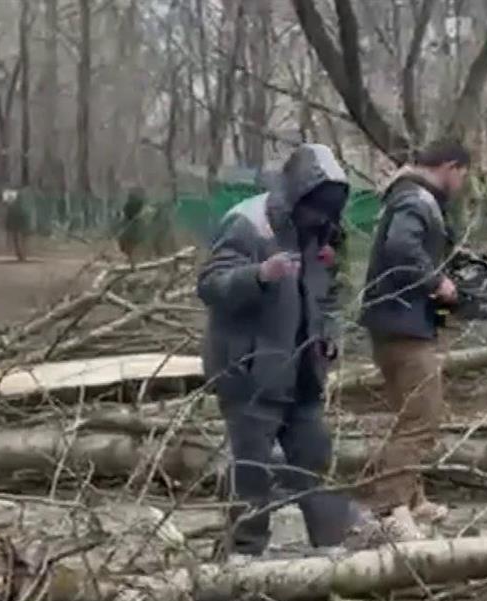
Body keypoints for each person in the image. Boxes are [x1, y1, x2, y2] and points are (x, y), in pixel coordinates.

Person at [197, 144, 358, 560]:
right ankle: (244, 552)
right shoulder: (249, 224)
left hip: (303, 369)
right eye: (315, 208)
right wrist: (260, 275)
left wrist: (329, 333)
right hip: (249, 370)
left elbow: (327, 295)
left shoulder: (321, 235)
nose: (320, 217)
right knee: (252, 466)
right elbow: (212, 284)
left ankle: (332, 545)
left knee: (314, 455)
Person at [356, 138, 471, 541]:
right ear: (451, 167)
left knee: (413, 414)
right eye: (464, 176)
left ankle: (413, 498)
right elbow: (402, 248)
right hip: (402, 328)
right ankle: (390, 509)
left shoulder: (413, 198)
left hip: (401, 323)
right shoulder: (416, 200)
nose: (462, 184)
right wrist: (437, 281)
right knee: (423, 417)